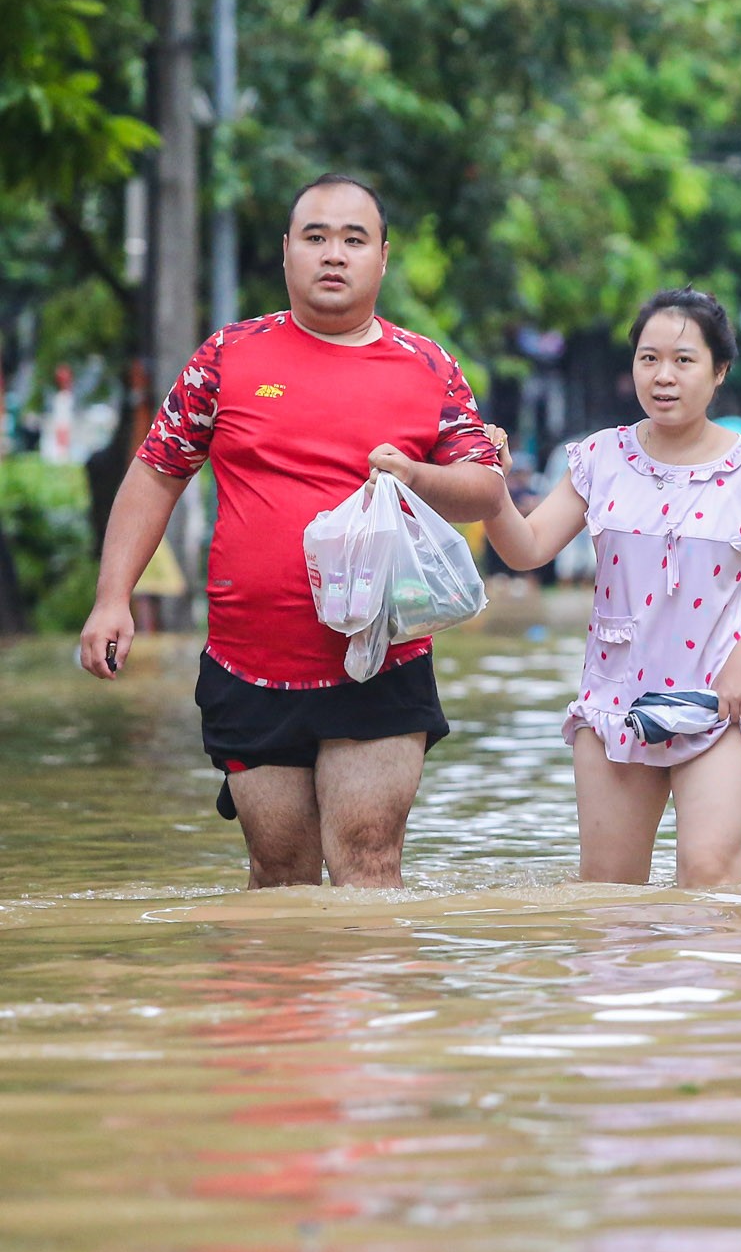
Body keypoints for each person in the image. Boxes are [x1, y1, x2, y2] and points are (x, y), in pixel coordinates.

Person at [77, 174, 505, 888]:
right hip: (249, 664)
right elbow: (157, 472)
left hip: (381, 660)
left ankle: (374, 1005)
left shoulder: (428, 364)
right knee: (279, 876)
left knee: (369, 865)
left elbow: (485, 487)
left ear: (382, 258)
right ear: (286, 253)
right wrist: (111, 596)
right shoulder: (227, 358)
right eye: (315, 237)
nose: (333, 253)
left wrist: (414, 474)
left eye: (353, 239)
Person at [479, 288, 741, 887]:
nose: (663, 376)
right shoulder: (600, 457)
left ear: (718, 371)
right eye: (648, 359)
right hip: (616, 705)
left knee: (709, 875)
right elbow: (525, 548)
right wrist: (493, 487)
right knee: (609, 890)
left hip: (721, 701)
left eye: (684, 360)